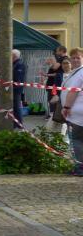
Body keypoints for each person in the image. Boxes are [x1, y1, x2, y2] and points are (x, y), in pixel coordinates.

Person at [60, 48, 83, 176]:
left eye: (78, 58)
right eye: (73, 58)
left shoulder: (80, 73)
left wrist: (66, 107)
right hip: (78, 112)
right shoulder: (76, 72)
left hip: (76, 113)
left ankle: (80, 167)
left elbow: (73, 91)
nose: (75, 60)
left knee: (76, 140)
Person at [46, 46, 68, 118]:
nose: (56, 53)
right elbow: (57, 72)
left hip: (57, 84)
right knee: (52, 99)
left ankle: (53, 116)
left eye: (58, 51)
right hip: (56, 83)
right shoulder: (62, 59)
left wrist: (51, 62)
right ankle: (53, 115)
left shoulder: (63, 59)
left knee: (53, 99)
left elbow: (55, 68)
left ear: (62, 51)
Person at [12, 49, 27, 126]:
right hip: (15, 88)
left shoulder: (19, 64)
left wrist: (15, 86)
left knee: (17, 106)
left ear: (14, 56)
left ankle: (19, 124)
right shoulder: (15, 64)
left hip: (16, 89)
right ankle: (16, 123)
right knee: (15, 106)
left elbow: (18, 78)